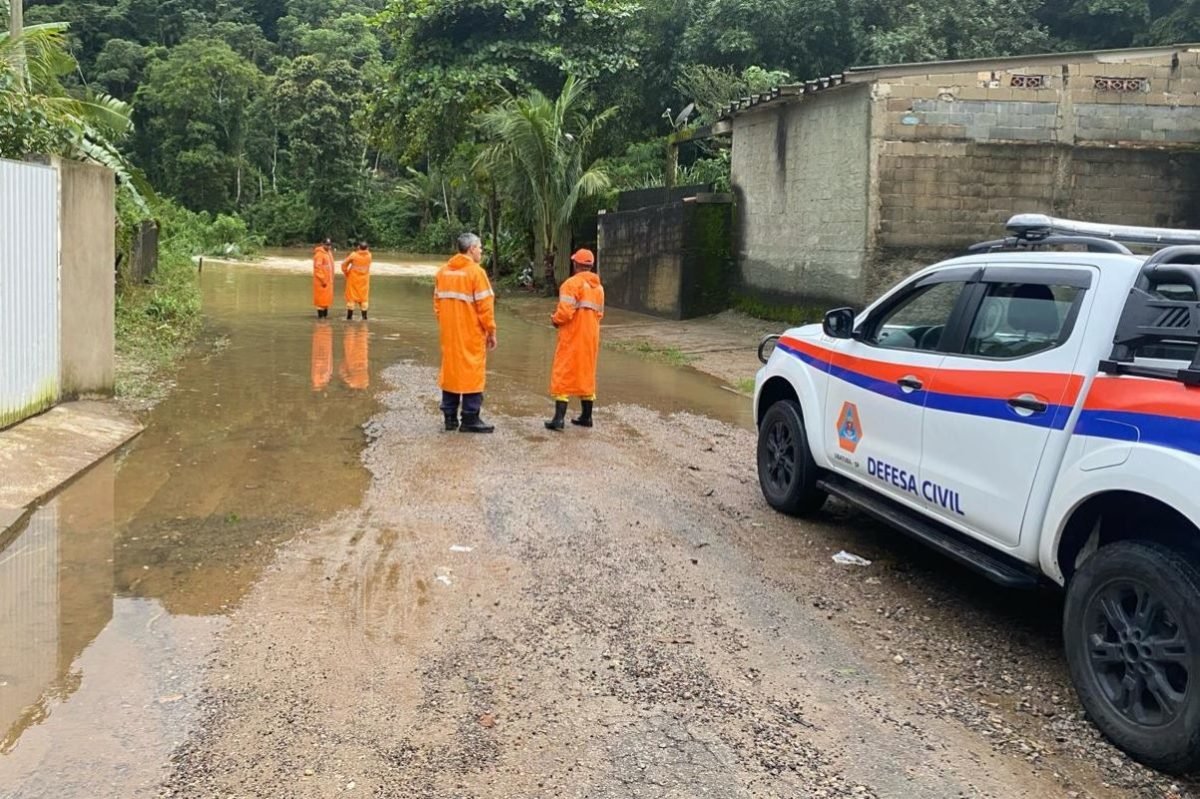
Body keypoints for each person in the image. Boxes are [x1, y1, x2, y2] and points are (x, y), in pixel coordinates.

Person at [434, 232, 497, 433]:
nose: (481, 251)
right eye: (480, 247)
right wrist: (491, 331)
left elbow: (437, 304)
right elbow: (485, 307)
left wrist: (447, 323)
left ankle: (450, 417)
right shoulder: (476, 273)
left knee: (451, 371)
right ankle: (470, 417)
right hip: (471, 332)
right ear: (471, 249)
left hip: (449, 332)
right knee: (472, 371)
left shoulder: (443, 272)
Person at [545, 248, 604, 431]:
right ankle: (586, 417)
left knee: (563, 372)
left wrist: (555, 320)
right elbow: (600, 314)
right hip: (591, 336)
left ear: (576, 264)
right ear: (590, 266)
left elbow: (564, 313)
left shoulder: (571, 284)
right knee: (586, 372)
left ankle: (558, 420)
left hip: (572, 336)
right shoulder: (599, 288)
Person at [341, 240, 372, 320]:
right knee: (364, 301)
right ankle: (364, 319)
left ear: (358, 247)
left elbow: (343, 264)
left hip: (353, 281)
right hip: (364, 282)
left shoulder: (354, 255)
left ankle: (349, 319)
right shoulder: (369, 256)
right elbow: (366, 252)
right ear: (367, 248)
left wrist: (346, 273)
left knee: (351, 300)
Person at [312, 238, 334, 318]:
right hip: (321, 282)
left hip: (328, 281)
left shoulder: (328, 253)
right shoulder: (319, 254)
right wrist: (323, 280)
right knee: (320, 302)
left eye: (329, 245)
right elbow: (317, 269)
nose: (328, 247)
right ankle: (320, 320)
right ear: (323, 244)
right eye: (327, 245)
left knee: (326, 301)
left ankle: (324, 319)